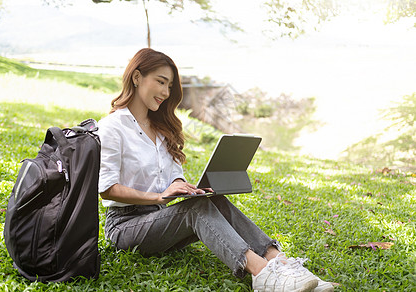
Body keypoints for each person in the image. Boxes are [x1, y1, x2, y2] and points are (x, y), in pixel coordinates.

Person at [98, 48, 334, 292]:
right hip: (125, 227)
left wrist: (183, 186)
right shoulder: (112, 127)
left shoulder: (160, 128)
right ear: (136, 77)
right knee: (197, 209)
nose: (166, 93)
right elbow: (107, 189)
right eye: (161, 82)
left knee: (215, 201)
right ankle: (264, 275)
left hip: (158, 219)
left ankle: (284, 265)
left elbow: (173, 175)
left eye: (170, 86)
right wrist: (158, 196)